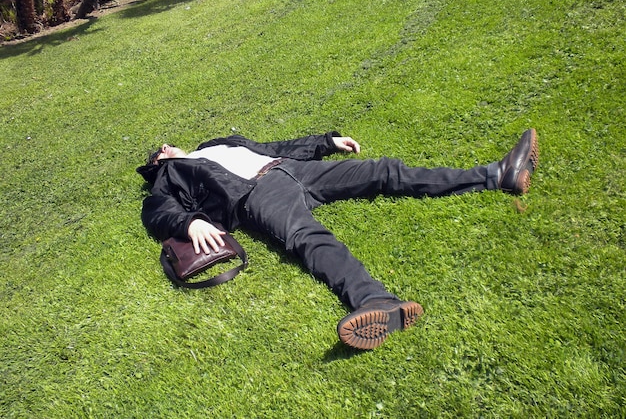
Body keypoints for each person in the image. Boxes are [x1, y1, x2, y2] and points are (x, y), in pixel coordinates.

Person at [137, 129, 539, 350]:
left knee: (382, 170)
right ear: (159, 162)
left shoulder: (216, 144)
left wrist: (325, 143)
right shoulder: (171, 174)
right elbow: (157, 212)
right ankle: (374, 301)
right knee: (307, 237)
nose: (165, 148)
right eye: (159, 153)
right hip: (258, 196)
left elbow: (273, 148)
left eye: (165, 146)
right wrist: (189, 223)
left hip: (291, 168)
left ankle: (496, 174)